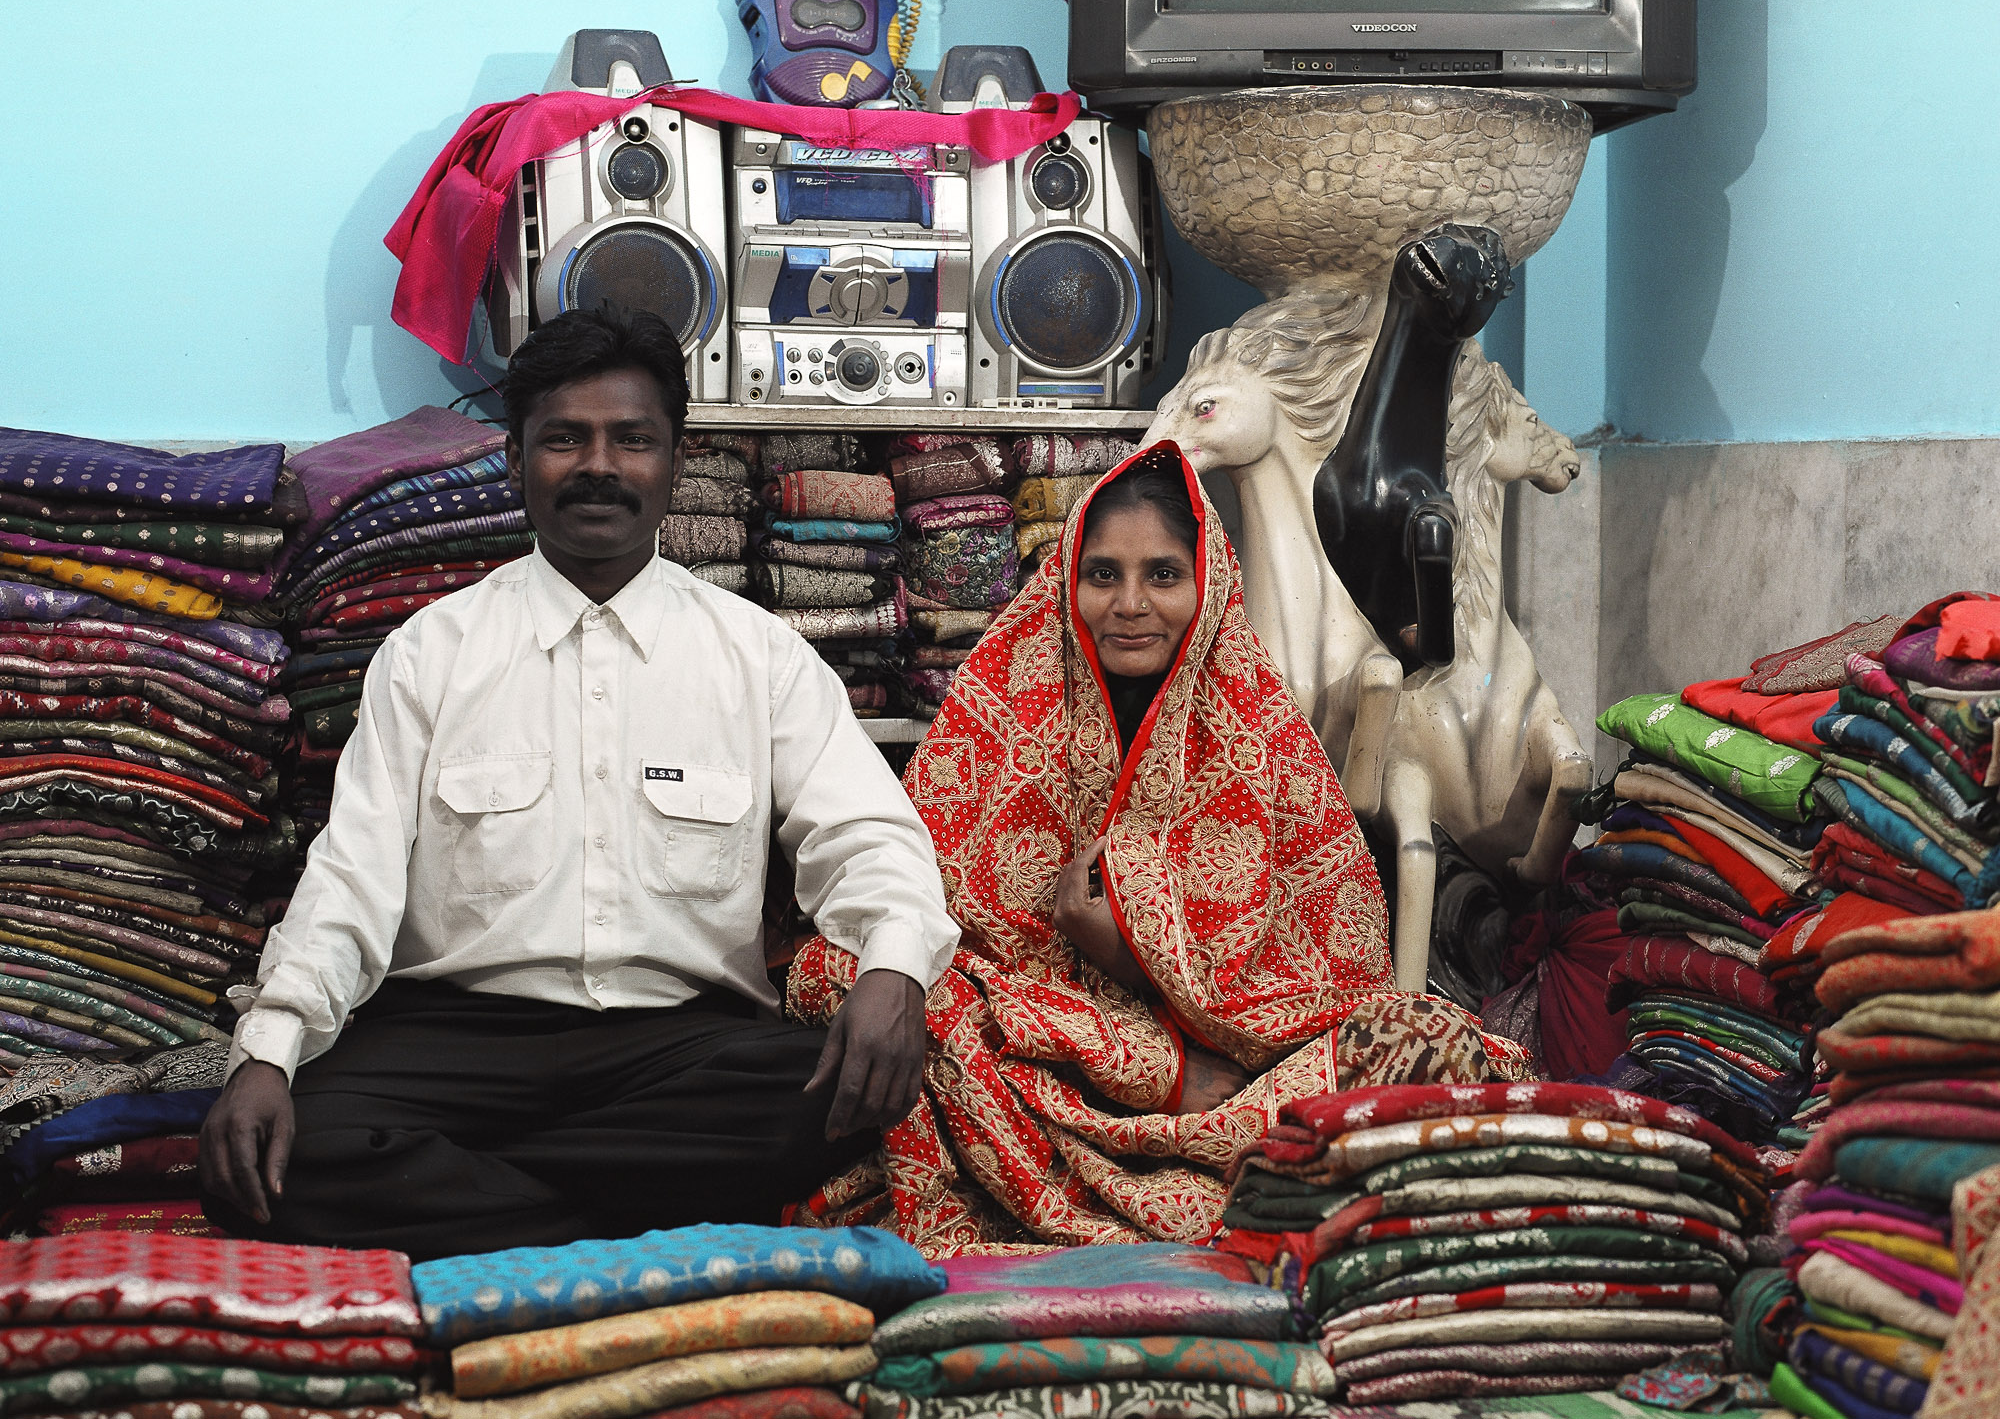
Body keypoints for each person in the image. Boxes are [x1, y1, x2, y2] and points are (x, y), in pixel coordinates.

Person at [200, 307, 958, 1260]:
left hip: (678, 1046)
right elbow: (351, 877)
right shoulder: (432, 652)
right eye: (565, 439)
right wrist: (268, 1050)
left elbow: (868, 836)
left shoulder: (756, 653)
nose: (599, 465)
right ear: (517, 461)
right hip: (456, 1037)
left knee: (815, 1099)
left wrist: (891, 968)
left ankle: (497, 1208)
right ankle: (630, 1227)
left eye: (631, 439)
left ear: (673, 465)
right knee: (277, 1158)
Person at [787, 443, 1529, 1254]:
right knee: (875, 984)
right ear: (1065, 579)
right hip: (1046, 1078)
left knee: (1426, 1038)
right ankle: (1186, 1189)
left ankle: (1169, 1173)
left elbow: (1332, 977)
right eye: (1102, 574)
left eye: (1163, 575)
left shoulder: (1264, 737)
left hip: (1235, 1083)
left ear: (1208, 584)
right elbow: (927, 918)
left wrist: (1135, 955)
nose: (1130, 604)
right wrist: (1140, 1060)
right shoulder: (1000, 706)